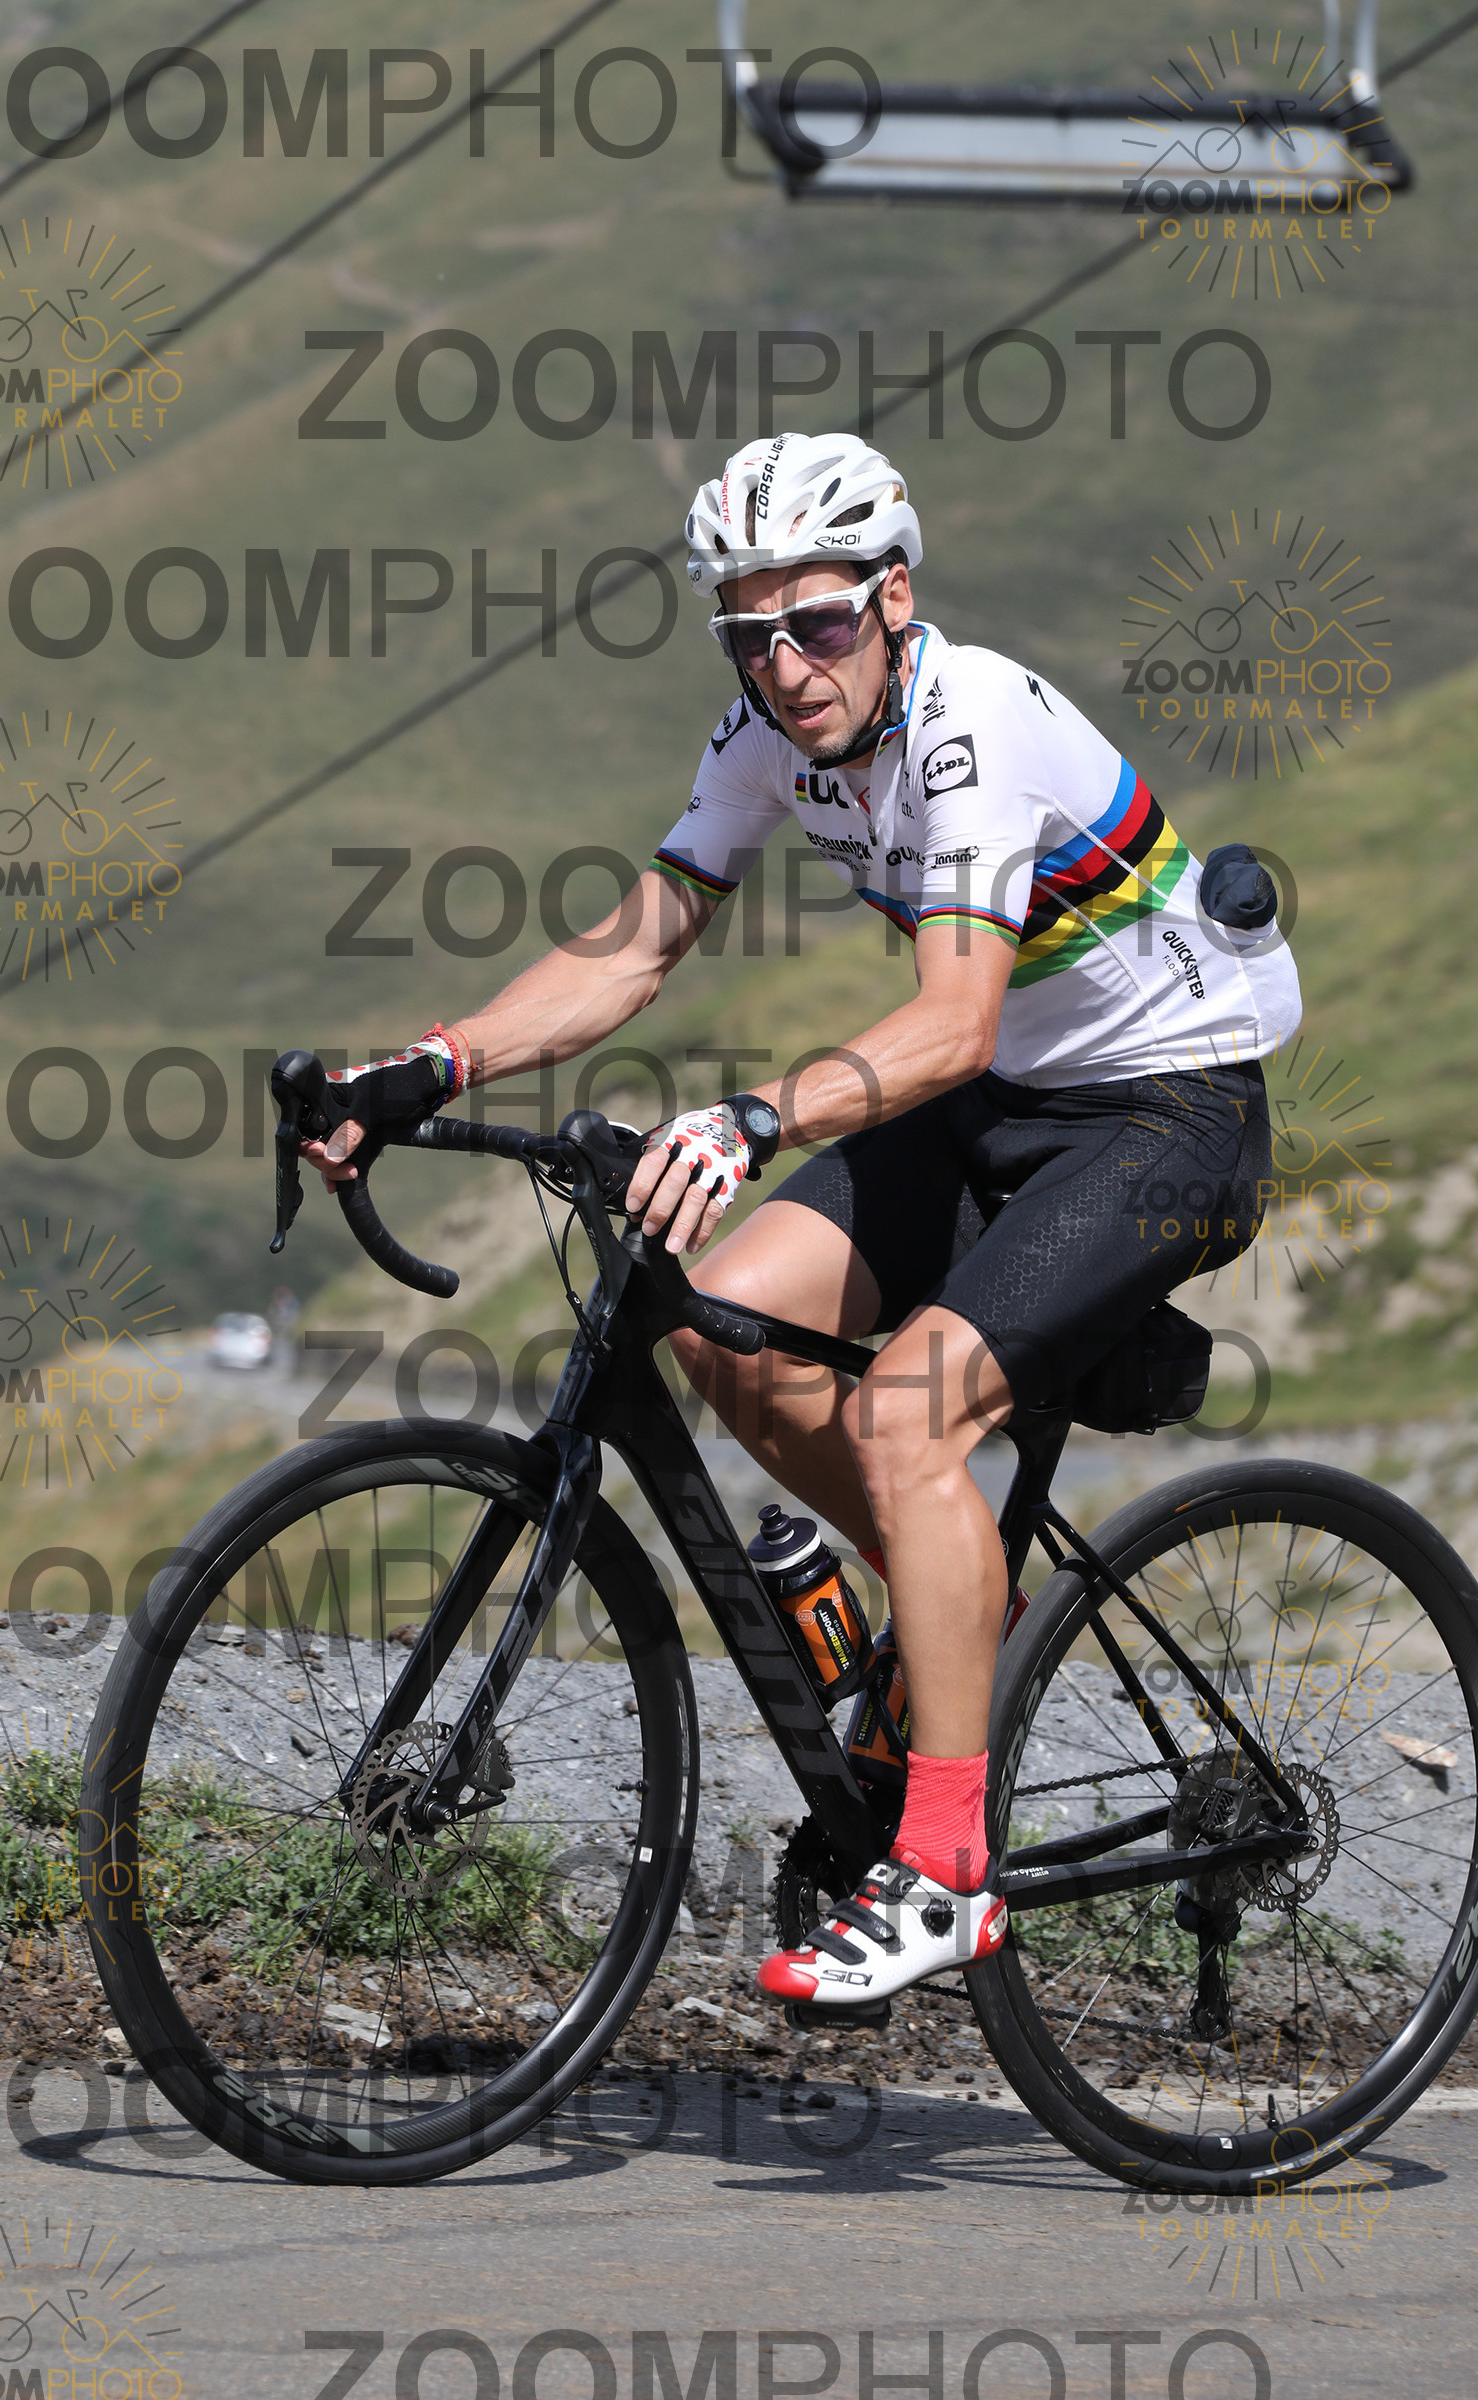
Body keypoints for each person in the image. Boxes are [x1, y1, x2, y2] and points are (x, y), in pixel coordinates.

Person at [300, 431, 1301, 2010]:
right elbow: (638, 945)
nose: (785, 664)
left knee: (907, 1419)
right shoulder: (771, 730)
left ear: (892, 600)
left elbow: (955, 1020)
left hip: (1165, 1114)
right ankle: (957, 1605)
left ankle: (946, 1872)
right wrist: (432, 1063)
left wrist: (756, 1116)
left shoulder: (971, 727)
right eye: (749, 634)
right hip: (1004, 1101)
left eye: (817, 623)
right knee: (725, 1324)